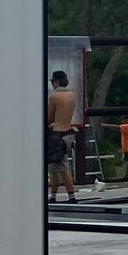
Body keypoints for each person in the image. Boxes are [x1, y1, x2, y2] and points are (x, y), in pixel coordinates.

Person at [46, 70, 78, 204]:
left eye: (53, 81)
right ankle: (53, 196)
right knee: (55, 167)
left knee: (62, 166)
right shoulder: (71, 95)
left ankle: (72, 197)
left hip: (56, 134)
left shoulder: (54, 96)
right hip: (68, 133)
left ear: (56, 81)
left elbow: (49, 117)